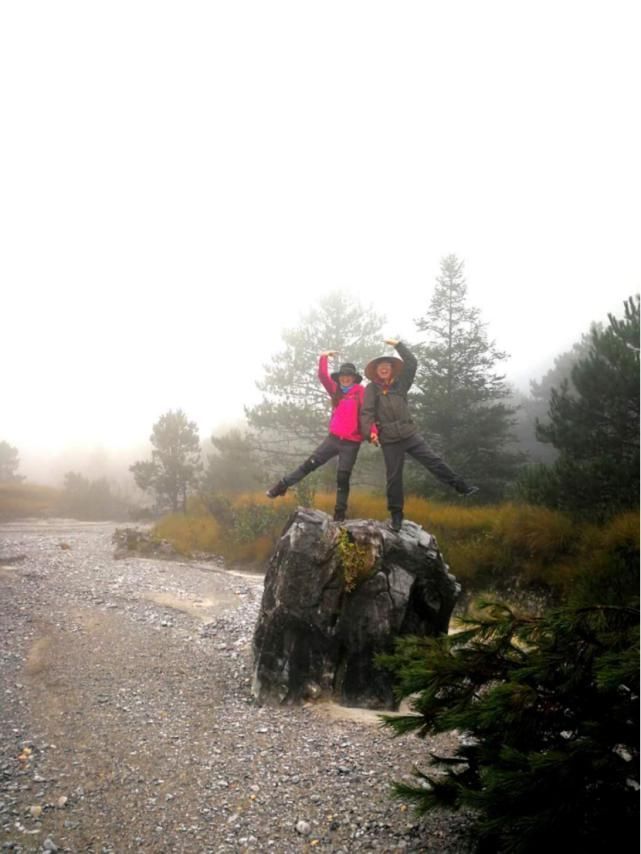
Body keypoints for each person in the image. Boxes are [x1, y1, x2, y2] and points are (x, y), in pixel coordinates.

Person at [360, 338, 478, 531]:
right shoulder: (371, 389)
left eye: (387, 366)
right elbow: (367, 412)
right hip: (389, 439)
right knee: (394, 478)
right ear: (376, 371)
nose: (383, 368)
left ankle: (462, 487)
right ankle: (396, 516)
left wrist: (399, 345)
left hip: (409, 433)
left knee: (433, 460)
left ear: (391, 369)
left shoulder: (401, 384)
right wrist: (370, 433)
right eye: (380, 366)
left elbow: (412, 363)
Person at [266, 351, 369, 522]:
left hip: (351, 443)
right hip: (333, 439)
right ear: (340, 377)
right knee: (309, 464)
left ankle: (339, 513)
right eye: (343, 376)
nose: (345, 378)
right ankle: (282, 485)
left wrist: (372, 432)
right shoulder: (335, 390)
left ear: (354, 377)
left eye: (349, 376)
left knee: (343, 477)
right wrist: (323, 357)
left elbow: (367, 414)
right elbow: (322, 375)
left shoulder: (360, 391)